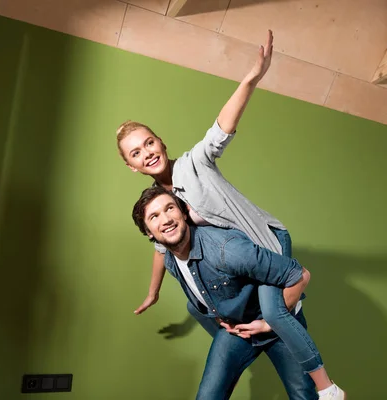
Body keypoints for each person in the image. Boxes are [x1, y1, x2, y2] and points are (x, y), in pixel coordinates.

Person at [117, 30, 345, 399]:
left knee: (274, 312)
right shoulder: (158, 204)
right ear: (131, 166)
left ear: (161, 142)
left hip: (264, 240)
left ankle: (329, 389)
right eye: (135, 153)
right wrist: (153, 292)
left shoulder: (194, 164)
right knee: (212, 313)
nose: (146, 153)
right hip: (242, 263)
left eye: (148, 142)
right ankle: (250, 341)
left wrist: (251, 77)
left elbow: (221, 127)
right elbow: (161, 250)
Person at [132, 186, 328, 399]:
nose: (166, 219)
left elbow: (300, 275)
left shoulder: (227, 250)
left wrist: (269, 323)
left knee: (303, 396)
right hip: (239, 329)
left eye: (170, 208)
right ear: (149, 232)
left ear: (184, 212)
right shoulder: (171, 261)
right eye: (154, 216)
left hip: (277, 324)